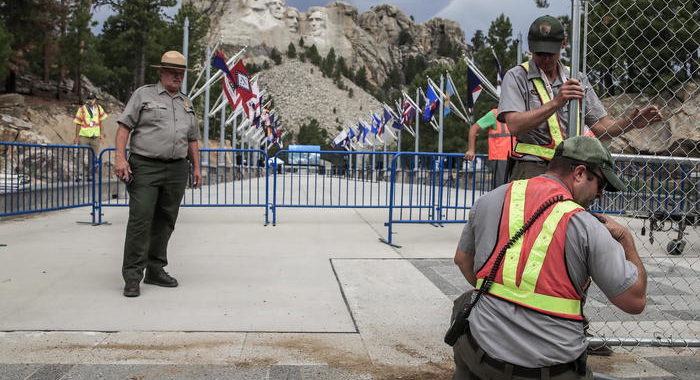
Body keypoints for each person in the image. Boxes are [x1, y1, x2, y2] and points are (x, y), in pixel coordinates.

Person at [450, 136, 648, 379]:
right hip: (549, 370)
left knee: (465, 303)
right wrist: (626, 239)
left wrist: (504, 300)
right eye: (601, 185)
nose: (599, 196)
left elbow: (462, 260)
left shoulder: (489, 200)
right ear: (579, 173)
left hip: (480, 356)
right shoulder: (586, 225)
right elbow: (634, 301)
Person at [498, 15, 663, 181]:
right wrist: (556, 103)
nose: (546, 59)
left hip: (569, 169)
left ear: (564, 43)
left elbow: (601, 127)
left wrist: (631, 123)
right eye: (540, 53)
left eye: (551, 52)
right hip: (532, 167)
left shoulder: (577, 78)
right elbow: (514, 125)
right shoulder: (516, 76)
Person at [114, 51, 201, 298]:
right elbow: (124, 128)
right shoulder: (143, 94)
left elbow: (192, 139)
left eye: (181, 73)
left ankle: (155, 269)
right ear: (161, 72)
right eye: (172, 71)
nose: (177, 76)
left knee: (165, 221)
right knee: (141, 219)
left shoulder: (186, 103)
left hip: (176, 169)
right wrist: (120, 158)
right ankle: (132, 276)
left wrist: (196, 167)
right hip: (145, 166)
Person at [464, 108, 514, 188]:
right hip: (500, 159)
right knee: (500, 190)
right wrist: (471, 150)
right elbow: (474, 128)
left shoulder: (518, 112)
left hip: (515, 158)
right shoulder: (494, 114)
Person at [73, 92, 108, 178]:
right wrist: (77, 137)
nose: (90, 101)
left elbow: (101, 122)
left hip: (95, 136)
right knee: (80, 156)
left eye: (92, 99)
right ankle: (79, 175)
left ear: (95, 100)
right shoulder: (82, 109)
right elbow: (78, 123)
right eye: (89, 99)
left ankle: (90, 175)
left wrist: (102, 135)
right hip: (84, 136)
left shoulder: (99, 109)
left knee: (93, 157)